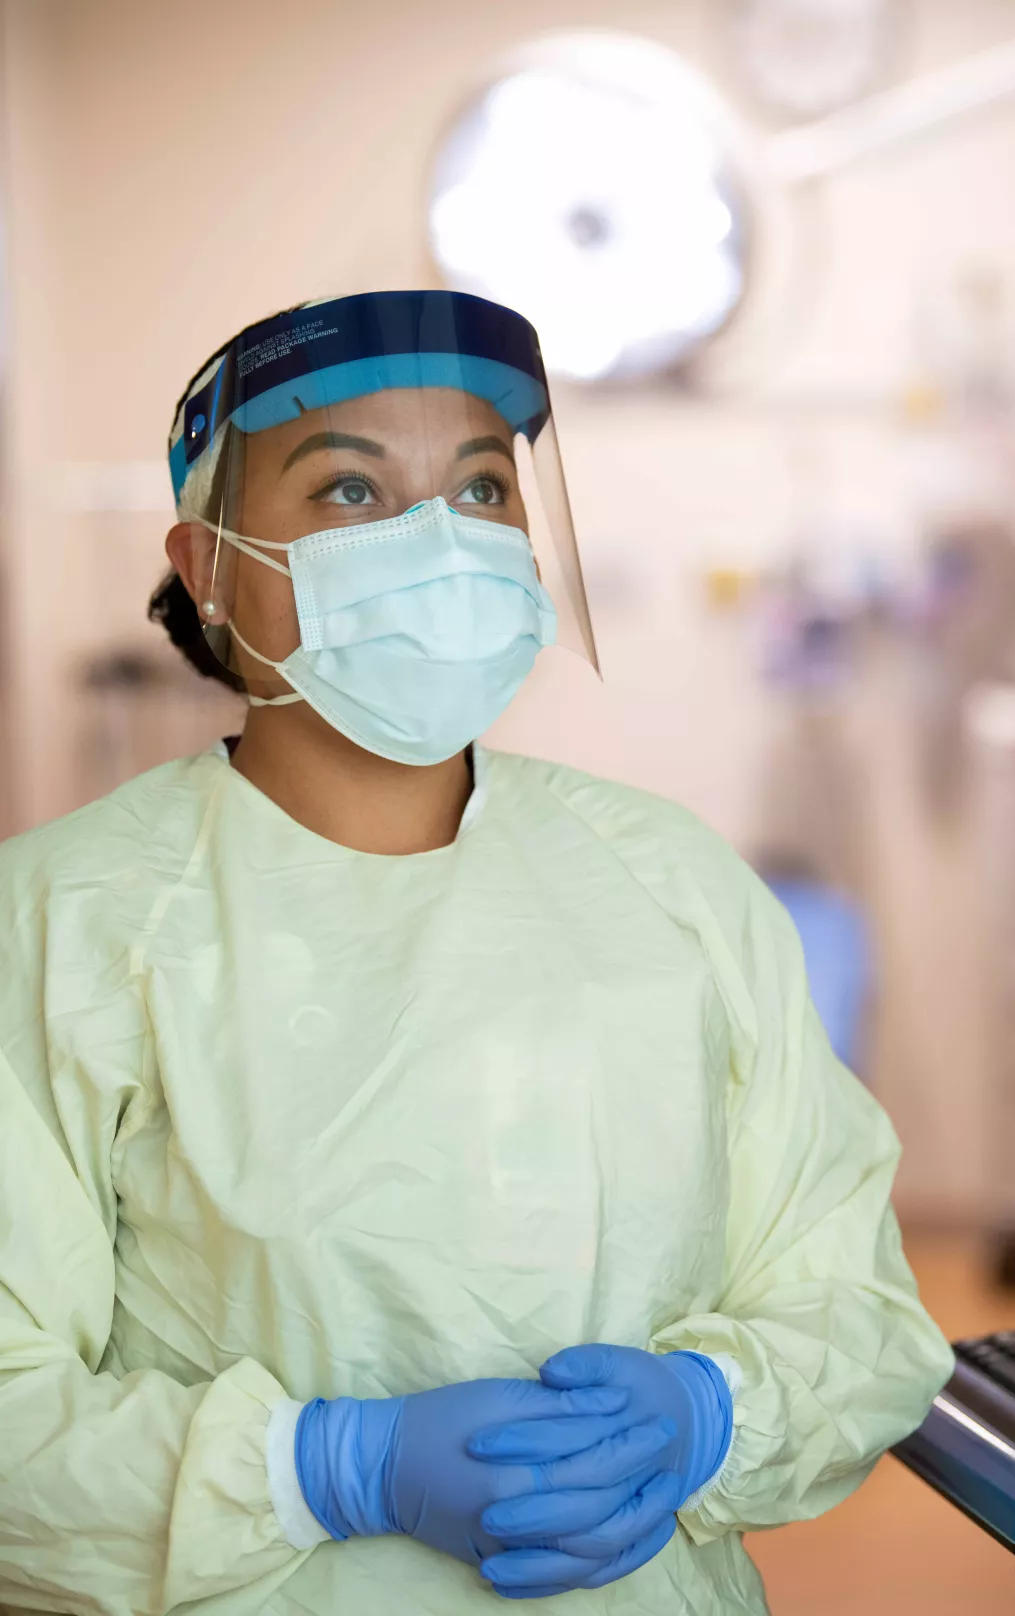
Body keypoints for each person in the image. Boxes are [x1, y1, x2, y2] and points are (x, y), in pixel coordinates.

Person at [0, 291, 953, 1615]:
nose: (437, 543)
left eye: (483, 488)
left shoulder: (671, 887)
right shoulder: (62, 927)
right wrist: (324, 1470)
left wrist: (711, 1414)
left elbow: (855, 1307)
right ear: (209, 564)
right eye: (348, 490)